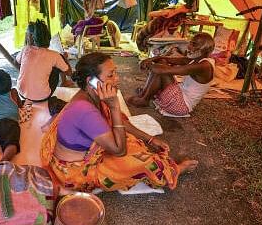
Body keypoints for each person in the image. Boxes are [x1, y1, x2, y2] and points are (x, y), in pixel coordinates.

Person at [40, 52, 196, 192]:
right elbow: (119, 150)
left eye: (115, 73)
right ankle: (174, 170)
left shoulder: (90, 96)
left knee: (129, 137)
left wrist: (150, 139)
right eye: (111, 75)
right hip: (75, 173)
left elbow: (121, 122)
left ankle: (156, 160)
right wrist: (114, 106)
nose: (117, 79)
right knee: (145, 162)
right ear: (92, 81)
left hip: (85, 154)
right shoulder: (85, 110)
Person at [127, 32, 216, 116]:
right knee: (162, 63)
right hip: (180, 97)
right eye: (190, 43)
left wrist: (148, 63)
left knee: (163, 70)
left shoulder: (204, 66)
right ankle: (144, 94)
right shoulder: (197, 60)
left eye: (194, 45)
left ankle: (145, 99)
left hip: (181, 106)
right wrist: (154, 59)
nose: (189, 47)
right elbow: (171, 59)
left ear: (205, 49)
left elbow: (164, 71)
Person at [17, 20, 73, 102]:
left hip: (22, 94)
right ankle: (64, 82)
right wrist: (65, 58)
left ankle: (34, 85)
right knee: (57, 65)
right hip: (42, 97)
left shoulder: (26, 50)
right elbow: (69, 73)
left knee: (47, 65)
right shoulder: (55, 55)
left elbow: (17, 62)